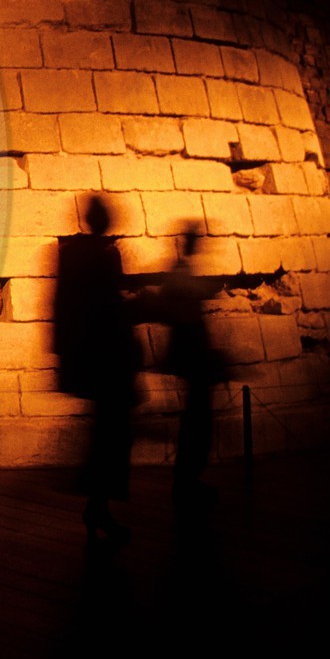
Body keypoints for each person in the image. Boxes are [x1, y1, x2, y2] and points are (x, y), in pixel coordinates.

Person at [53, 196, 142, 544]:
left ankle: (98, 506)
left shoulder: (74, 255)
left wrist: (63, 356)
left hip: (94, 360)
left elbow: (62, 306)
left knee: (108, 436)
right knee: (112, 438)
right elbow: (107, 309)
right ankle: (98, 506)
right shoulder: (103, 256)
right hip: (109, 361)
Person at [149, 223, 226, 513]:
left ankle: (188, 479)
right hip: (192, 359)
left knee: (197, 420)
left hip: (192, 359)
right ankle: (186, 481)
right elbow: (188, 291)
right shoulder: (180, 274)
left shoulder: (181, 272)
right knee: (196, 421)